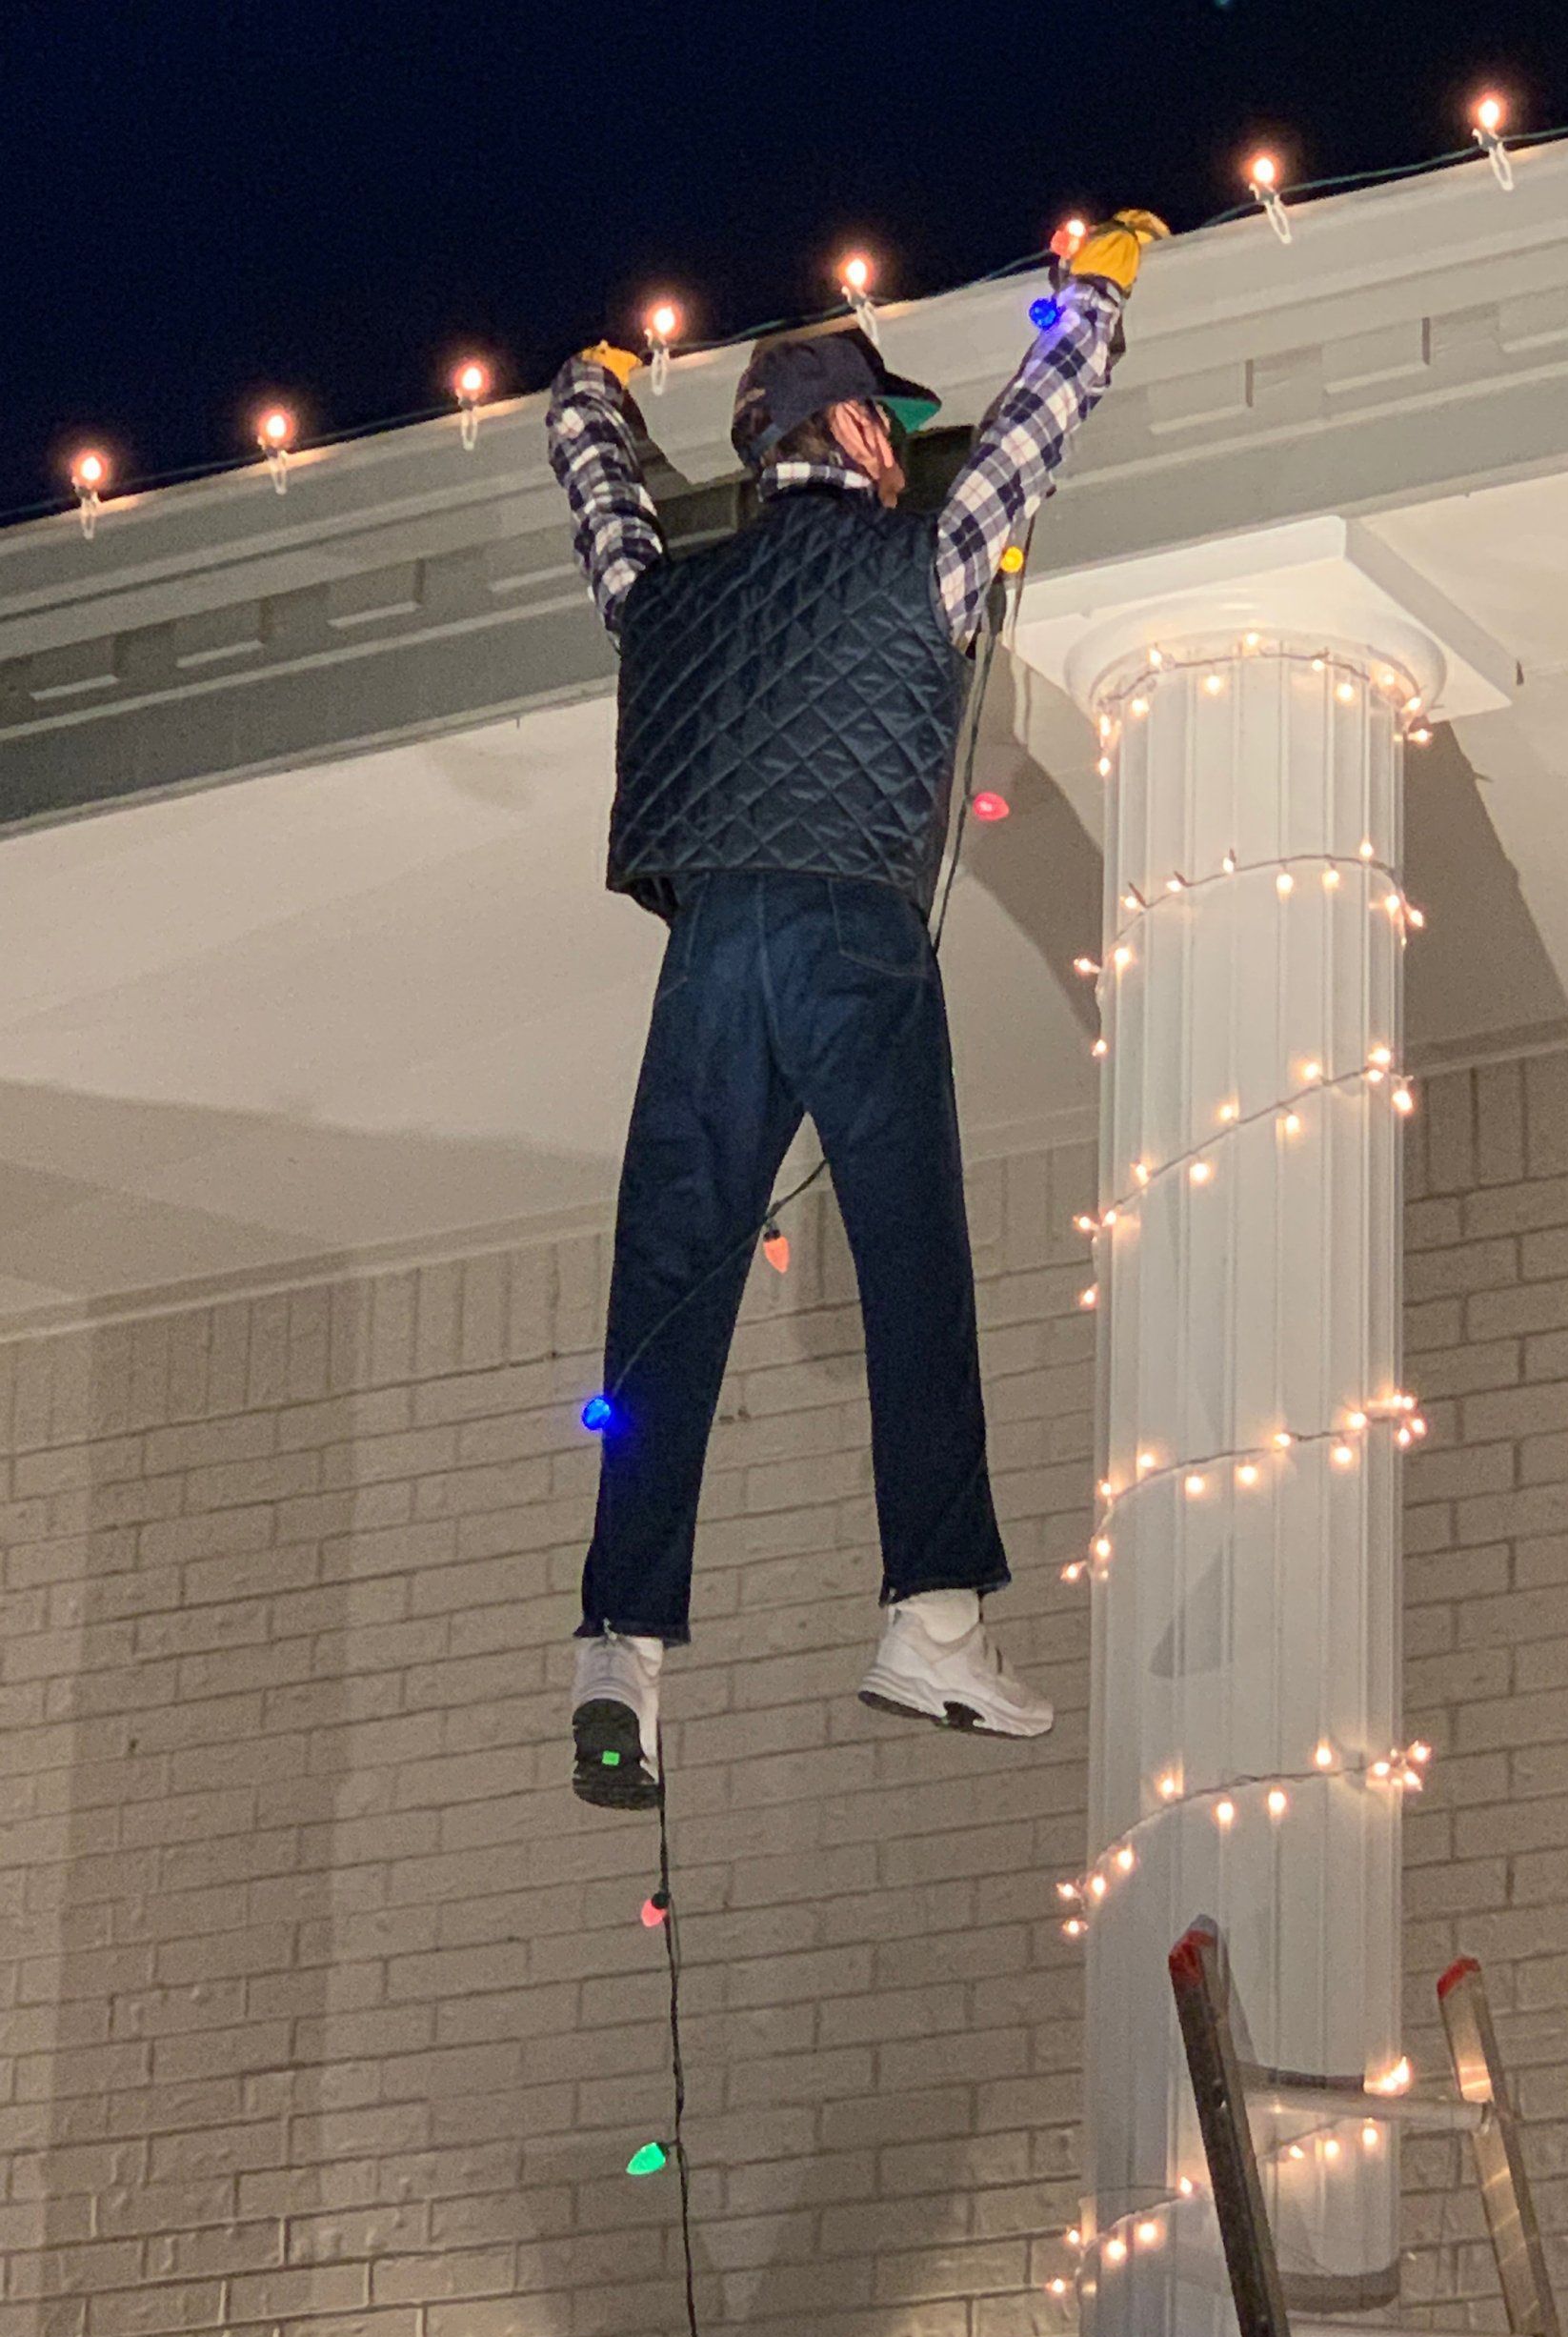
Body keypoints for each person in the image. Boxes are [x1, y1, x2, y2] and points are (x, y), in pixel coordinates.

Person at [549, 212, 1170, 1809]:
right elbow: (1037, 432)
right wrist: (1096, 288)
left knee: (669, 1279)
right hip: (850, 930)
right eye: (887, 426)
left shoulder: (666, 598)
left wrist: (600, 383)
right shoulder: (926, 560)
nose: (902, 452)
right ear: (854, 436)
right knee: (912, 1267)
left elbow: (595, 483)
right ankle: (933, 1620)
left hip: (709, 947)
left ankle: (619, 1651)